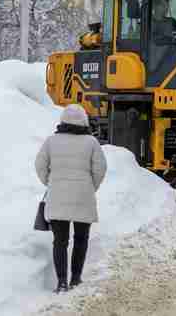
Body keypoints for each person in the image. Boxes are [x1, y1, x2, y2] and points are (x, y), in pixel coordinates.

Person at [35, 104, 107, 293]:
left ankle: (61, 282)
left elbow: (40, 165)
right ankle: (76, 279)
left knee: (60, 241)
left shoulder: (51, 141)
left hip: (58, 195)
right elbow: (100, 168)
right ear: (84, 120)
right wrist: (92, 186)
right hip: (83, 195)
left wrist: (50, 182)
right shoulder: (91, 142)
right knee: (81, 238)